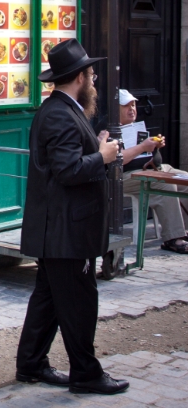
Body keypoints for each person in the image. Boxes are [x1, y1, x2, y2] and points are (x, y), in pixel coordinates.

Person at [17, 39, 129, 395]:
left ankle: (31, 364)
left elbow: (64, 161)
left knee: (49, 298)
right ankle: (86, 373)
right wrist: (104, 156)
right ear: (80, 77)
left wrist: (96, 148)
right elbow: (67, 170)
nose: (94, 79)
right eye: (92, 73)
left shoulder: (62, 110)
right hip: (66, 229)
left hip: (59, 228)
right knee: (80, 301)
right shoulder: (60, 114)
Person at [97, 90, 188, 254]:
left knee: (185, 180)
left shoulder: (135, 125)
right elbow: (116, 160)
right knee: (166, 187)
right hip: (122, 177)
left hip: (148, 169)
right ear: (115, 109)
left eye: (133, 105)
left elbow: (145, 156)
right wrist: (142, 147)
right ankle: (174, 238)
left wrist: (154, 147)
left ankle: (185, 230)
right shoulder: (107, 129)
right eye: (126, 106)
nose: (132, 109)